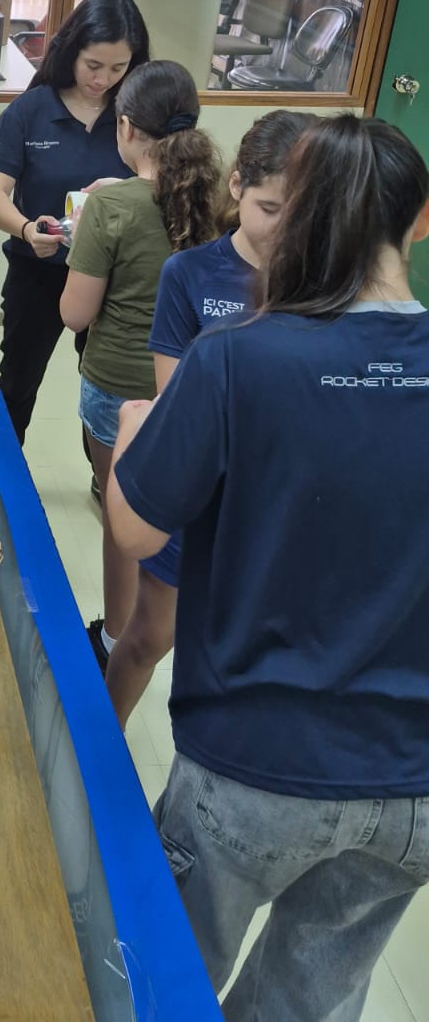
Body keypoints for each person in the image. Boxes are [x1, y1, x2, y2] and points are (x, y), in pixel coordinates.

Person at [108, 116, 429, 1022]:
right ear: (420, 222)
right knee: (304, 1004)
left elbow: (134, 530)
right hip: (412, 786)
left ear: (299, 215)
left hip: (256, 770)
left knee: (155, 986)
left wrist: (136, 431)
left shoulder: (239, 358)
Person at [104, 109, 313, 727]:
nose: (286, 231)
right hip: (200, 496)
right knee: (148, 637)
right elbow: (175, 406)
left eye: (303, 215)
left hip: (278, 503)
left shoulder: (325, 283)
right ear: (238, 186)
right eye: (272, 209)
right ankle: (97, 749)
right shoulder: (190, 274)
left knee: (248, 656)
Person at [59, 60, 221, 672]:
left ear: (125, 128)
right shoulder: (217, 199)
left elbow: (76, 315)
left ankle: (113, 635)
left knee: (121, 518)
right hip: (194, 388)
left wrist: (82, 234)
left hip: (119, 389)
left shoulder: (110, 208)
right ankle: (162, 624)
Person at [0, 0, 149, 510]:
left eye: (119, 67)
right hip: (40, 268)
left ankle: (106, 474)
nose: (104, 79)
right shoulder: (31, 111)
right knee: (18, 376)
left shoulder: (135, 116)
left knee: (106, 386)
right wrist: (28, 230)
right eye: (94, 64)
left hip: (116, 279)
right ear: (71, 49)